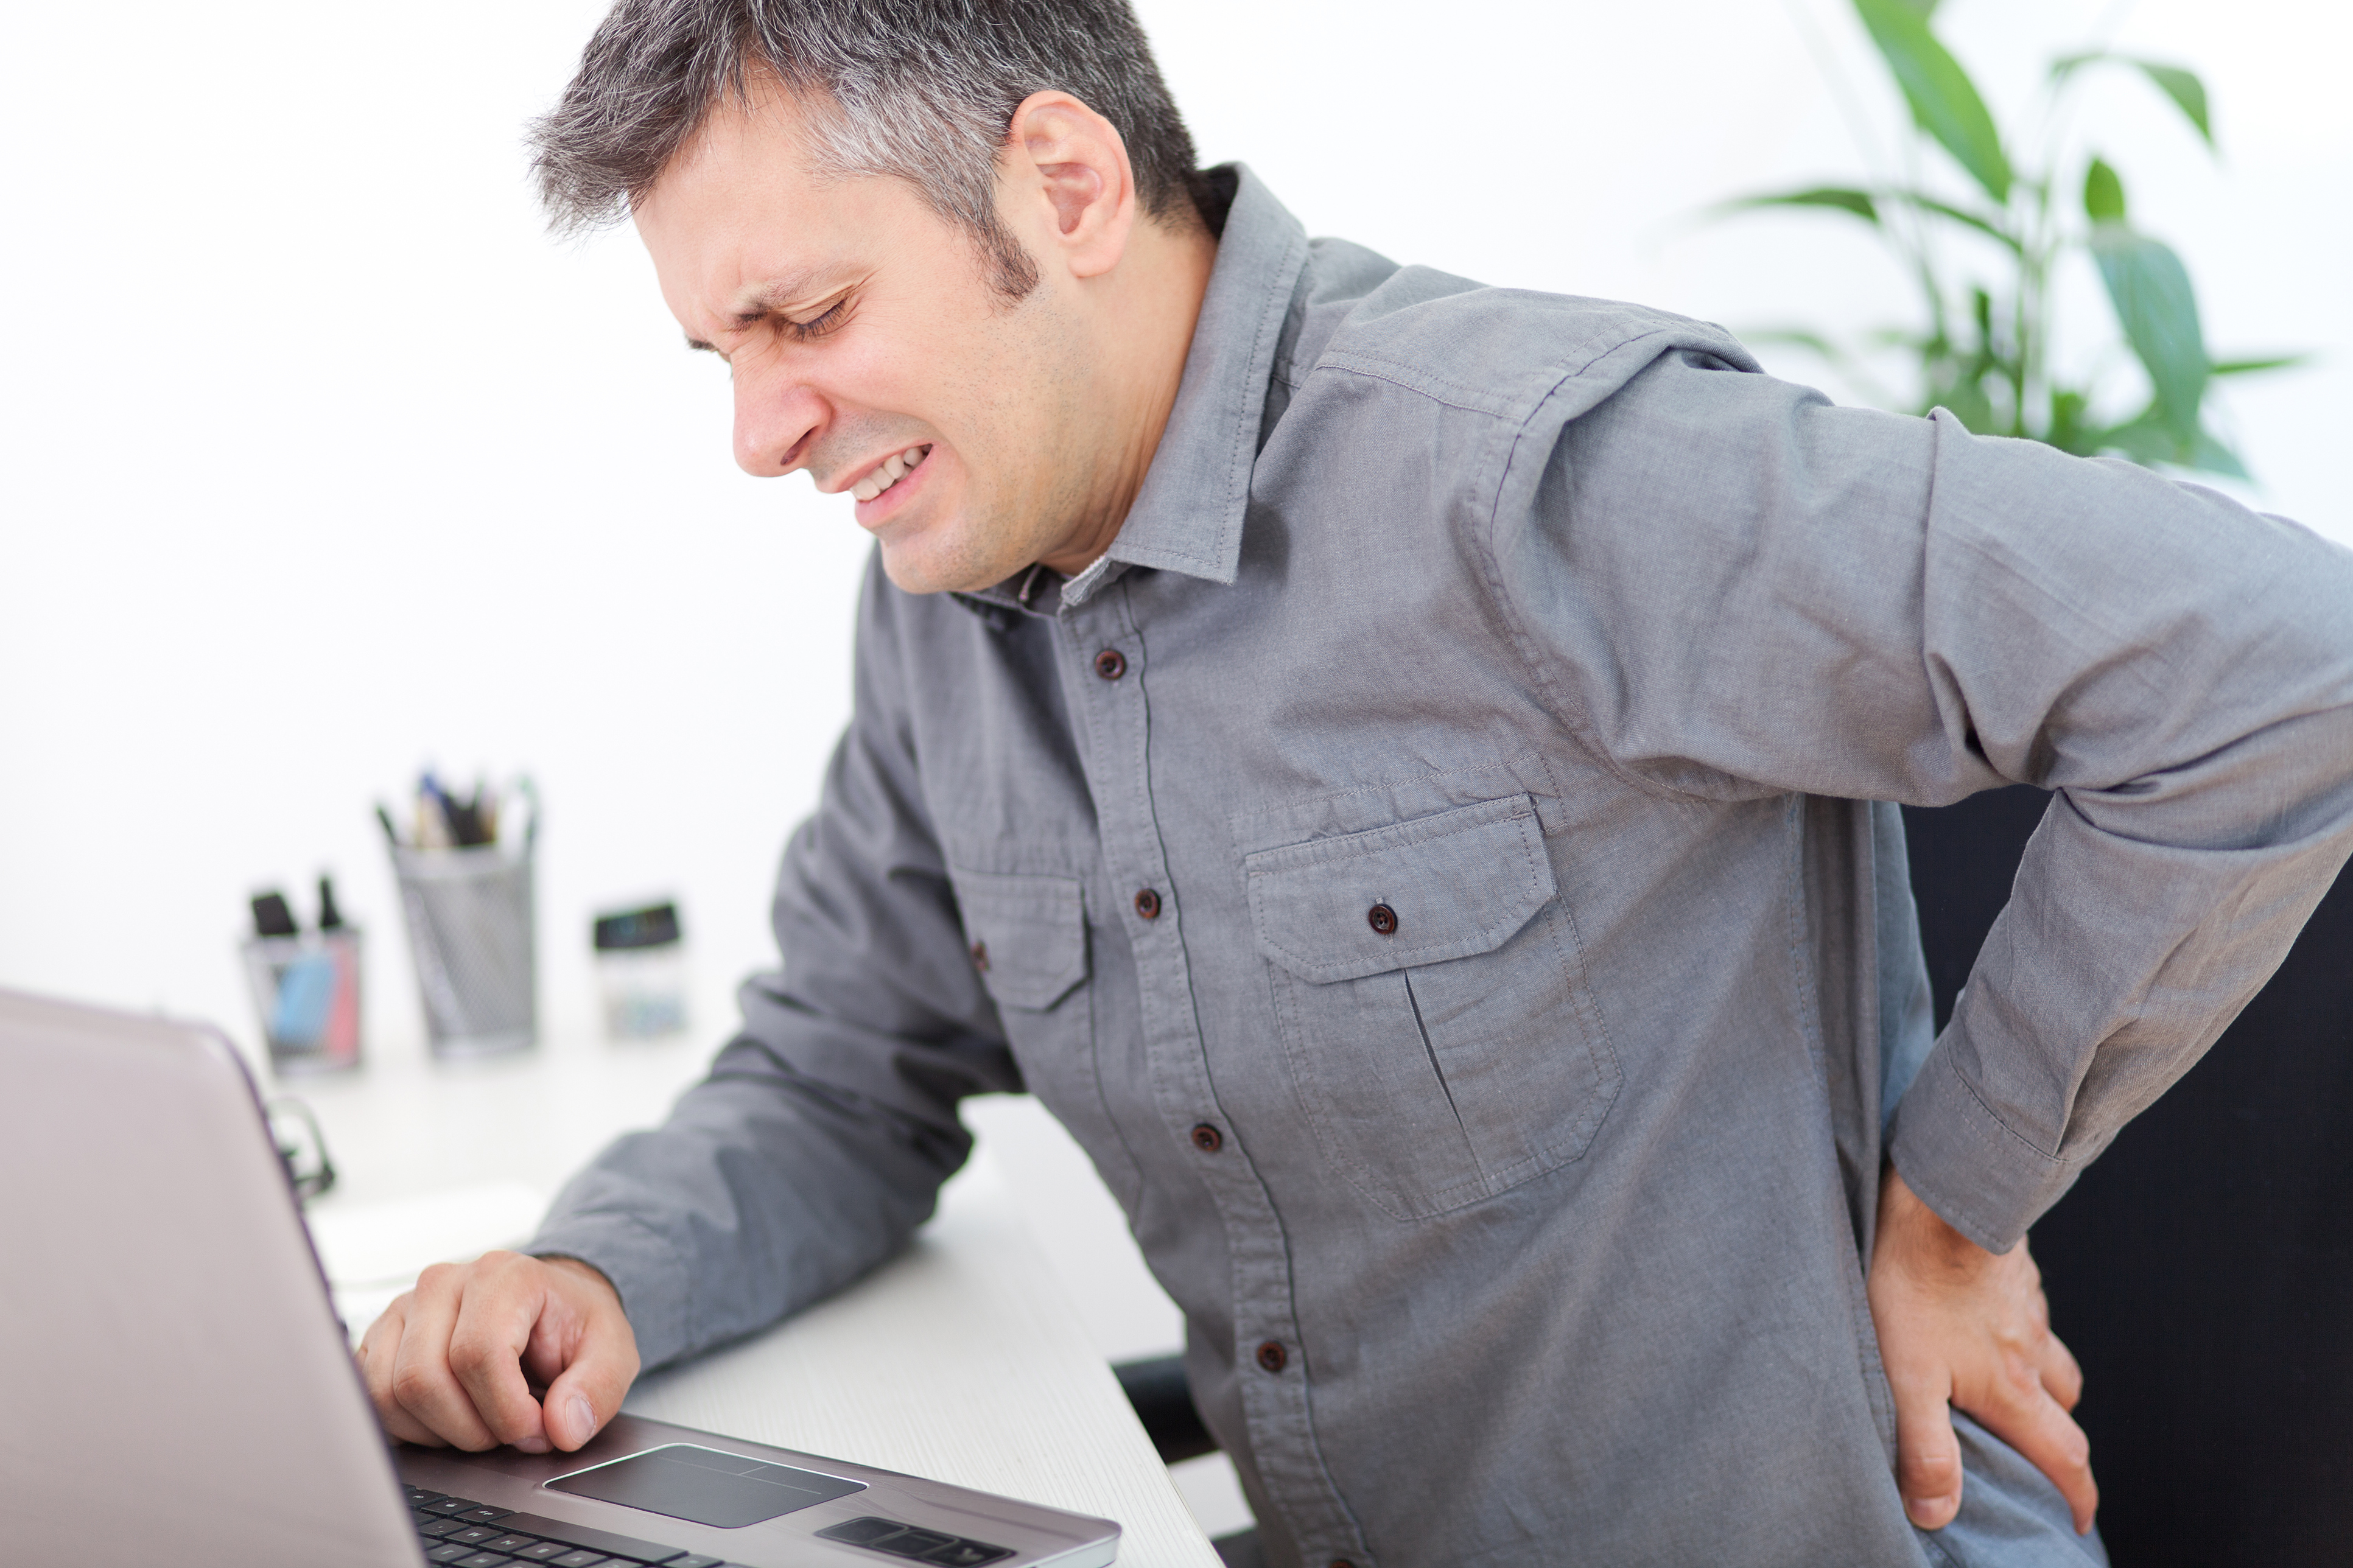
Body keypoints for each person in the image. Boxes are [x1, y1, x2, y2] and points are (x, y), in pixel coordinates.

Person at [354, 2, 2353, 1563]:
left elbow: (2278, 661)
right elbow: (838, 1071)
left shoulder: (1539, 482)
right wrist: (588, 1270)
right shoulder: (948, 582)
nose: (759, 431)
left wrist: (1952, 1210)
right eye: (718, 352)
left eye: (802, 318)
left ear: (1057, 185)